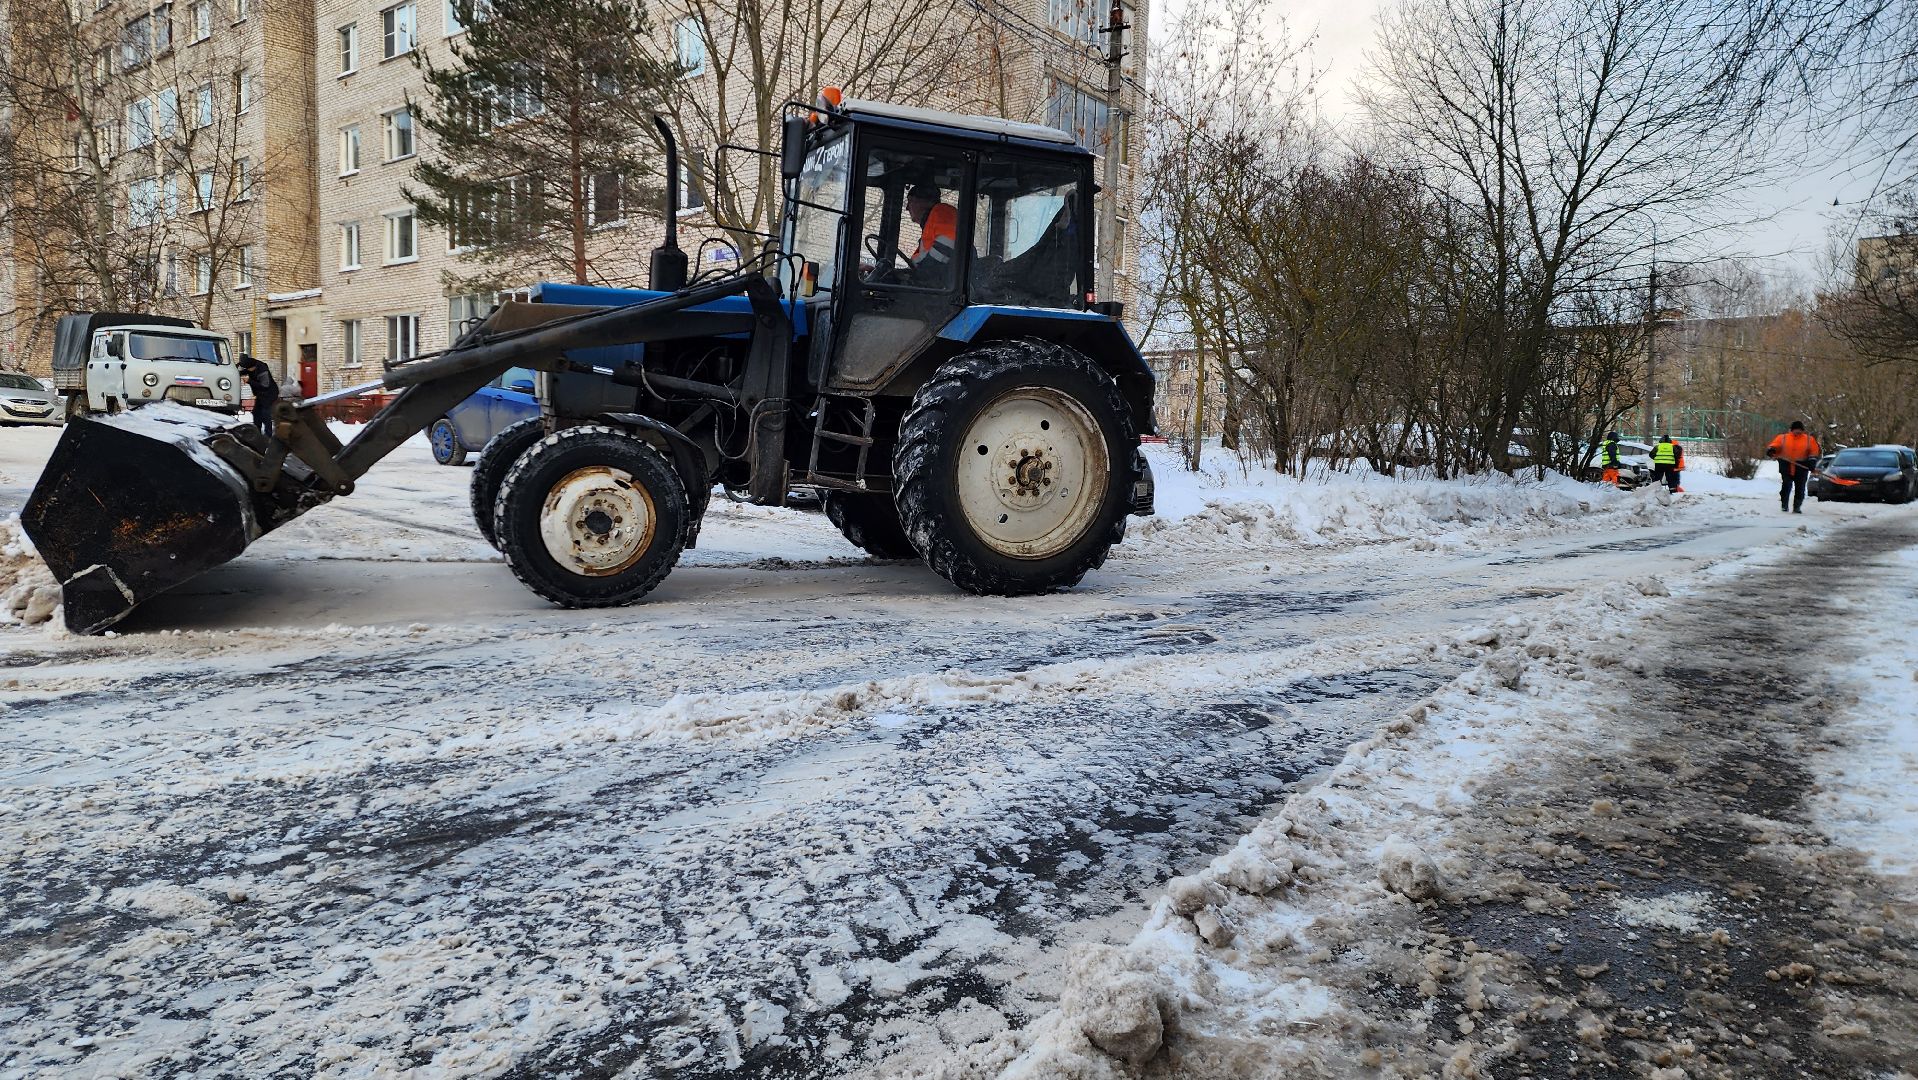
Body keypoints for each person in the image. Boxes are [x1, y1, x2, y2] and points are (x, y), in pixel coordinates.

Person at [904, 182, 958, 281]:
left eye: (911, 201)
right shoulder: (929, 228)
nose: (907, 208)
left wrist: (925, 273)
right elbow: (919, 260)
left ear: (927, 202)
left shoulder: (943, 212)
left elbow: (948, 243)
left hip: (945, 287)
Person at [1765, 420, 1821, 514]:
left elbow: (1814, 452)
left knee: (1800, 488)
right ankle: (1784, 504)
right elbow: (1775, 445)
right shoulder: (1782, 438)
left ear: (1802, 430)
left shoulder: (1809, 439)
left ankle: (1797, 506)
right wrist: (1772, 450)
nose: (1797, 431)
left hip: (1802, 466)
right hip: (1786, 465)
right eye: (1796, 429)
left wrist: (1811, 462)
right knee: (1786, 485)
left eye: (1799, 430)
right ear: (1791, 430)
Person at [238, 353, 278, 435]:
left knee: (265, 413)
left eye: (249, 369)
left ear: (254, 367)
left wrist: (249, 381)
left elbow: (265, 386)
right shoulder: (250, 366)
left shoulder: (262, 370)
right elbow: (244, 370)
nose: (248, 371)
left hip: (269, 394)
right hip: (260, 394)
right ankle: (257, 432)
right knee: (256, 413)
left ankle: (268, 435)